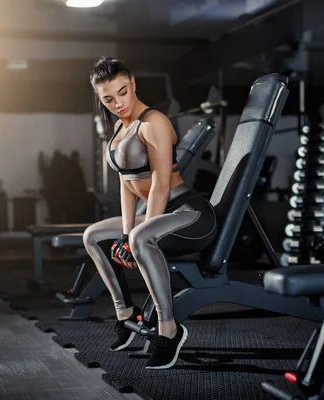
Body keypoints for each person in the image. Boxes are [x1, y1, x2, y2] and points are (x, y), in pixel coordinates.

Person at [83, 57, 218, 370]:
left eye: (123, 92)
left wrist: (134, 237)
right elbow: (127, 185)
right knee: (94, 237)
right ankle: (125, 315)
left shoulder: (153, 120)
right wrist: (125, 234)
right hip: (158, 215)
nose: (118, 103)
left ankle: (169, 329)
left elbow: (159, 185)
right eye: (108, 99)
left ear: (133, 84)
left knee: (142, 237)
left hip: (189, 213)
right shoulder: (119, 127)